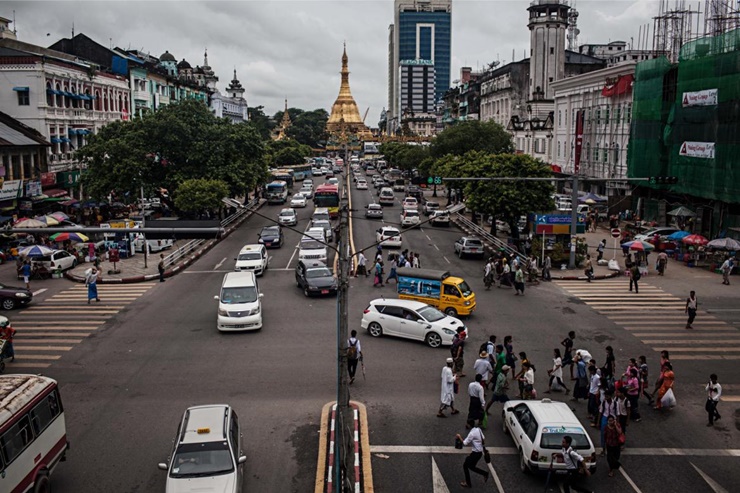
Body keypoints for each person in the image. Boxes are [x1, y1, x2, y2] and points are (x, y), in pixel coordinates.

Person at [456, 420, 489, 487]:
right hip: (478, 453)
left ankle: (468, 483)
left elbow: (465, 443)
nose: (466, 425)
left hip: (475, 454)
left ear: (469, 425)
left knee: (465, 466)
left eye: (467, 424)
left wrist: (459, 437)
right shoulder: (478, 429)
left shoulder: (471, 433)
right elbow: (483, 438)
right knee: (471, 467)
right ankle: (485, 473)